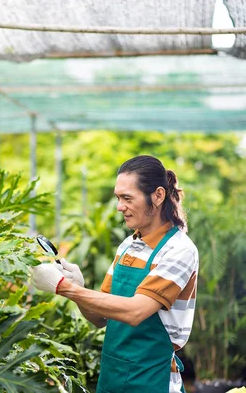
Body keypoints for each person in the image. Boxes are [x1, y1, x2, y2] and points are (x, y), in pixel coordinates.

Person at [32, 155, 199, 393]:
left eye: (127, 198)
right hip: (112, 378)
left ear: (158, 195)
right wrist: (76, 286)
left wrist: (63, 287)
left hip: (152, 380)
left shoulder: (179, 250)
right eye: (118, 198)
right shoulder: (128, 246)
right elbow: (100, 318)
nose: (120, 206)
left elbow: (135, 311)